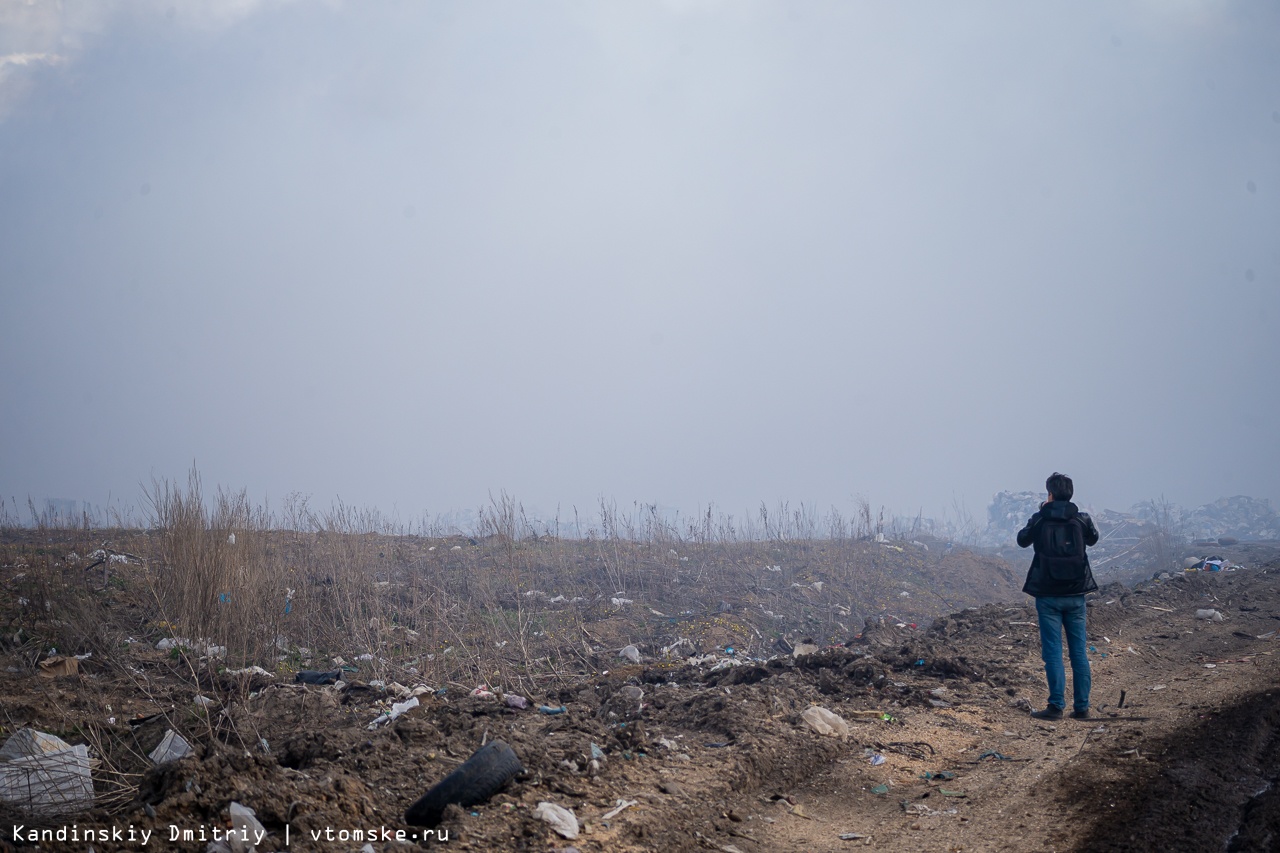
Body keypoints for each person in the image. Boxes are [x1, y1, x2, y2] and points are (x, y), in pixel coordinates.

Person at [1017, 472, 1100, 720]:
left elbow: (1022, 540)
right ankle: (1082, 708)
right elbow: (1093, 539)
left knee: (1053, 652)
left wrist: (1042, 512)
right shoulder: (1081, 519)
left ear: (1050, 494)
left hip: (1048, 595)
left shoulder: (1040, 520)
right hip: (1076, 594)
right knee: (1078, 652)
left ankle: (1056, 706)